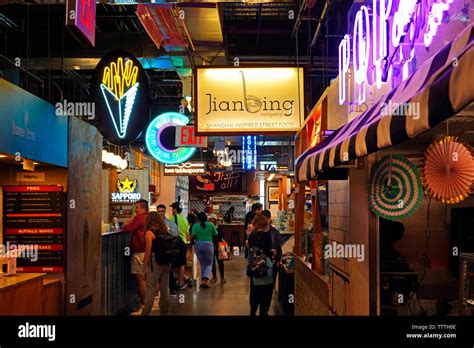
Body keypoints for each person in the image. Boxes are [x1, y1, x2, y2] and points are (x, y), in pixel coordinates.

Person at [142, 212, 172, 316]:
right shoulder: (165, 230)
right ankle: (165, 312)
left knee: (150, 290)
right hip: (167, 262)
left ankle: (145, 313)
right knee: (164, 289)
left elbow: (148, 252)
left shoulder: (149, 233)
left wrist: (144, 268)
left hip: (155, 262)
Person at [247, 214, 276, 316]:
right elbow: (266, 251)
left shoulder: (252, 235)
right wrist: (273, 252)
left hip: (254, 266)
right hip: (264, 266)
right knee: (265, 293)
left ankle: (252, 312)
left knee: (256, 292)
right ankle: (263, 312)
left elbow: (251, 249)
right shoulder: (265, 234)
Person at [123, 199, 149, 312]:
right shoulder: (149, 217)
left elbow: (127, 229)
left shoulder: (140, 218)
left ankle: (144, 304)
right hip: (148, 252)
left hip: (139, 252)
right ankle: (151, 301)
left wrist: (128, 222)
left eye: (137, 208)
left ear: (142, 208)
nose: (136, 210)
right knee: (147, 278)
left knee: (140, 279)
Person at [191, 212, 217, 288]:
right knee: (209, 264)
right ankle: (205, 279)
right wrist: (214, 245)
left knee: (202, 264)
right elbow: (215, 235)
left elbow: (193, 236)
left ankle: (203, 281)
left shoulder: (195, 226)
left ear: (198, 218)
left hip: (198, 245)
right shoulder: (211, 225)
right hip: (208, 244)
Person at [170, 202, 189, 288]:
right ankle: (181, 282)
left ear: (175, 209)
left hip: (174, 243)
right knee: (181, 264)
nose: (172, 210)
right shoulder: (184, 219)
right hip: (183, 243)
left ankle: (181, 280)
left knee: (172, 264)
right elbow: (187, 232)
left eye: (172, 208)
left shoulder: (172, 218)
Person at [261, 210, 283, 285]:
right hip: (260, 263)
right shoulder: (258, 231)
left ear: (270, 219)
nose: (265, 221)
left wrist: (278, 260)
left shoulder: (275, 232)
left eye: (267, 218)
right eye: (263, 218)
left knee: (270, 286)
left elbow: (278, 247)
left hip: (272, 262)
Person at [209, 214, 226, 283]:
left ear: (214, 219)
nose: (209, 220)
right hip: (211, 245)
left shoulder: (219, 226)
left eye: (211, 219)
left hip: (219, 246)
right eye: (209, 219)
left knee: (220, 262)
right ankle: (214, 277)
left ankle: (222, 277)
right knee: (212, 262)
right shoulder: (209, 226)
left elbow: (222, 235)